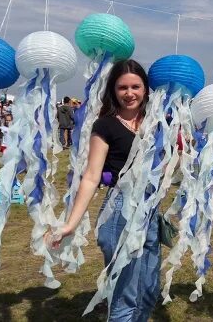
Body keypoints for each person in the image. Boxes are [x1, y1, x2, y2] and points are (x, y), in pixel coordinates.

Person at [47, 59, 160, 320]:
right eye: (123, 88)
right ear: (113, 90)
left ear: (145, 89)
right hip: (120, 211)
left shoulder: (155, 124)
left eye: (136, 86)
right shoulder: (106, 125)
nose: (129, 93)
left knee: (148, 290)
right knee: (126, 295)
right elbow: (90, 176)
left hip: (150, 210)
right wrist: (70, 224)